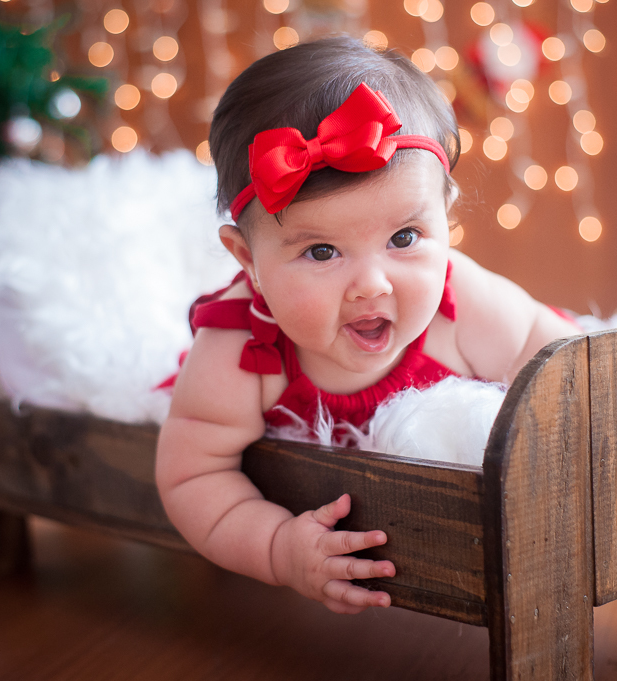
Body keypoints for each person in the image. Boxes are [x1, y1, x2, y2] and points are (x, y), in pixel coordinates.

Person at [155, 36, 581, 616]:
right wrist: (279, 548)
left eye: (404, 239)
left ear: (446, 214)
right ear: (247, 259)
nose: (372, 285)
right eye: (323, 251)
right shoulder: (240, 347)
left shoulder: (465, 302)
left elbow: (565, 370)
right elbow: (192, 475)